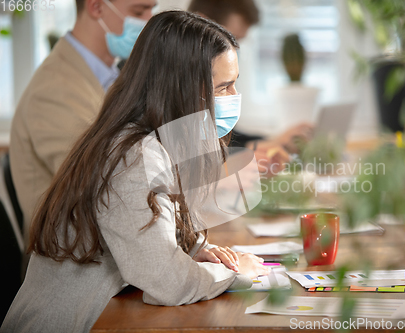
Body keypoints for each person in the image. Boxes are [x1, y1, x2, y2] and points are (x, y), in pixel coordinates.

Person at [1, 11, 269, 333]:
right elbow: (167, 282)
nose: (233, 98)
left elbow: (152, 229)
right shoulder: (133, 157)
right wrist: (239, 273)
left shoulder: (157, 140)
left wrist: (195, 248)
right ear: (181, 89)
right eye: (224, 87)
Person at [10, 0, 156, 245]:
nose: (149, 21)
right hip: (76, 265)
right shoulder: (55, 89)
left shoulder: (109, 77)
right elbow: (98, 193)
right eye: (139, 11)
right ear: (97, 7)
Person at [188, 0, 314, 167]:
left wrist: (271, 142)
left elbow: (223, 139)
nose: (234, 51)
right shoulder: (175, 84)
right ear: (200, 23)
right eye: (230, 39)